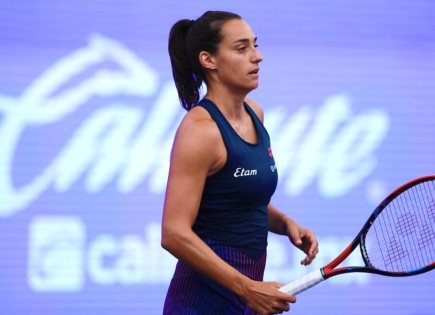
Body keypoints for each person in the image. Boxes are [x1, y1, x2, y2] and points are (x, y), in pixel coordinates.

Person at [161, 10, 319, 315]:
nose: (257, 57)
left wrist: (286, 224)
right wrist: (247, 288)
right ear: (209, 60)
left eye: (255, 45)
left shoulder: (255, 113)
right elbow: (174, 234)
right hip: (200, 303)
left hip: (245, 300)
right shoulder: (200, 131)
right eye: (242, 48)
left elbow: (237, 197)